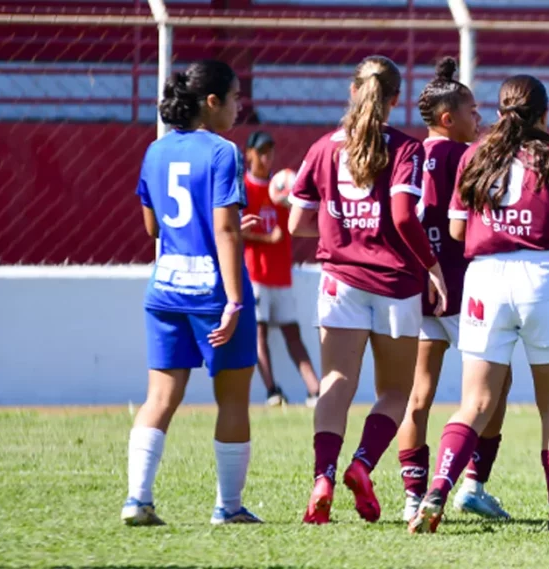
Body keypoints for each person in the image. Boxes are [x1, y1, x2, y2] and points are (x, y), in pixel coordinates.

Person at [408, 74, 549, 534]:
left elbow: (454, 232)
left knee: (475, 402)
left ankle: (437, 492)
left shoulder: (474, 155)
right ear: (544, 115)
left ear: (500, 110)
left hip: (484, 279)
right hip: (542, 276)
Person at [289, 55, 447, 525]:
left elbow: (298, 222)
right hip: (395, 282)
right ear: (395, 99)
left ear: (352, 91)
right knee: (395, 390)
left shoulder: (322, 148)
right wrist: (433, 267)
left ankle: (323, 477)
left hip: (340, 281)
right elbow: (402, 216)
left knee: (336, 381)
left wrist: (342, 231)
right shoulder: (406, 149)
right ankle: (361, 464)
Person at [123, 59, 262, 526]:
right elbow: (224, 231)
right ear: (211, 102)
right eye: (236, 97)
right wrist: (235, 300)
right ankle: (228, 507)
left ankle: (137, 500)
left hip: (164, 291)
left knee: (160, 397)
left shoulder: (155, 151)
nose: (240, 107)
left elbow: (152, 225)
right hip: (212, 294)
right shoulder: (223, 152)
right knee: (233, 400)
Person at [396, 57, 511, 522]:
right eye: (472, 111)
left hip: (419, 288)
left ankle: (411, 495)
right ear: (449, 119)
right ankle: (472, 485)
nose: (478, 120)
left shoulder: (408, 155)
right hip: (462, 289)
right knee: (494, 386)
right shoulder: (464, 157)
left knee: (418, 393)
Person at [241, 130, 321, 408]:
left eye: (270, 151)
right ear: (249, 154)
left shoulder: (281, 187)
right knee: (259, 331)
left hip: (281, 274)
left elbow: (297, 219)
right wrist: (266, 238)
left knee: (292, 332)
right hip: (256, 273)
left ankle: (315, 389)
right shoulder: (246, 189)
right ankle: (272, 390)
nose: (267, 157)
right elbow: (234, 231)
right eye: (261, 151)